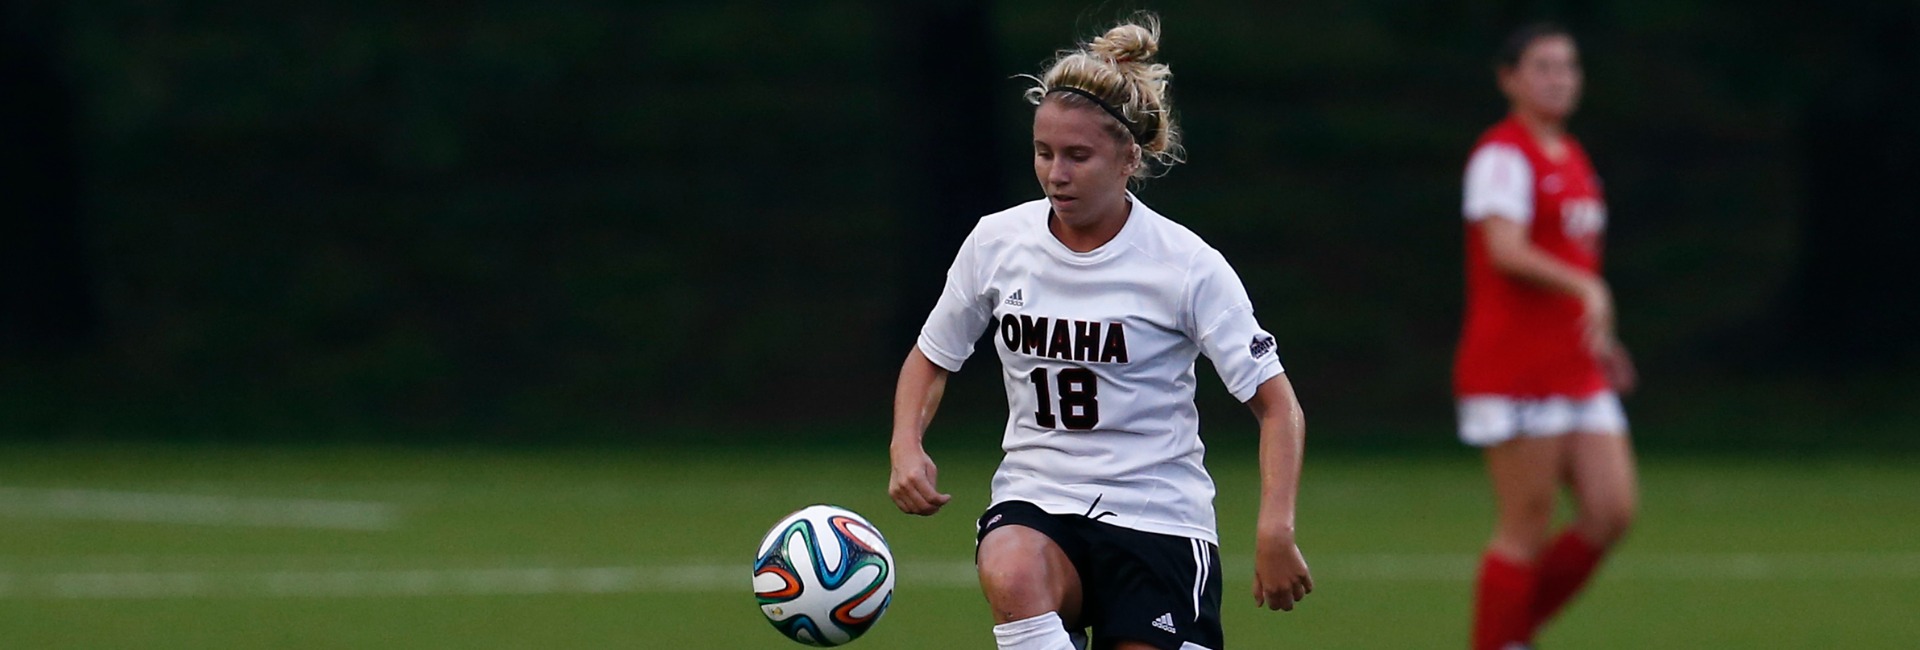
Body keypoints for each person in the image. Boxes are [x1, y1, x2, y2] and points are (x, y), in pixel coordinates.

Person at [886, 15, 1312, 650]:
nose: (1057, 174)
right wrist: (905, 442)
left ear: (1129, 157)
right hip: (1036, 501)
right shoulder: (997, 242)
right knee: (1009, 566)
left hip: (1158, 521)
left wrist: (1275, 527)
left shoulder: (1186, 265)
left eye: (1078, 156)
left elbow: (1277, 406)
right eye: (1044, 152)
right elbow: (931, 357)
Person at [1455, 23, 1639, 650]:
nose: (1559, 78)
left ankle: (1509, 628)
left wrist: (1604, 341)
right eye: (1543, 67)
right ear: (1509, 79)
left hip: (1575, 364)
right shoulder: (1502, 155)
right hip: (1515, 368)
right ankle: (1502, 638)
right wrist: (1589, 290)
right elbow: (1505, 249)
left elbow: (1573, 261)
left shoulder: (1574, 156)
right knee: (1525, 524)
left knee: (1612, 510)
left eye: (1568, 66)